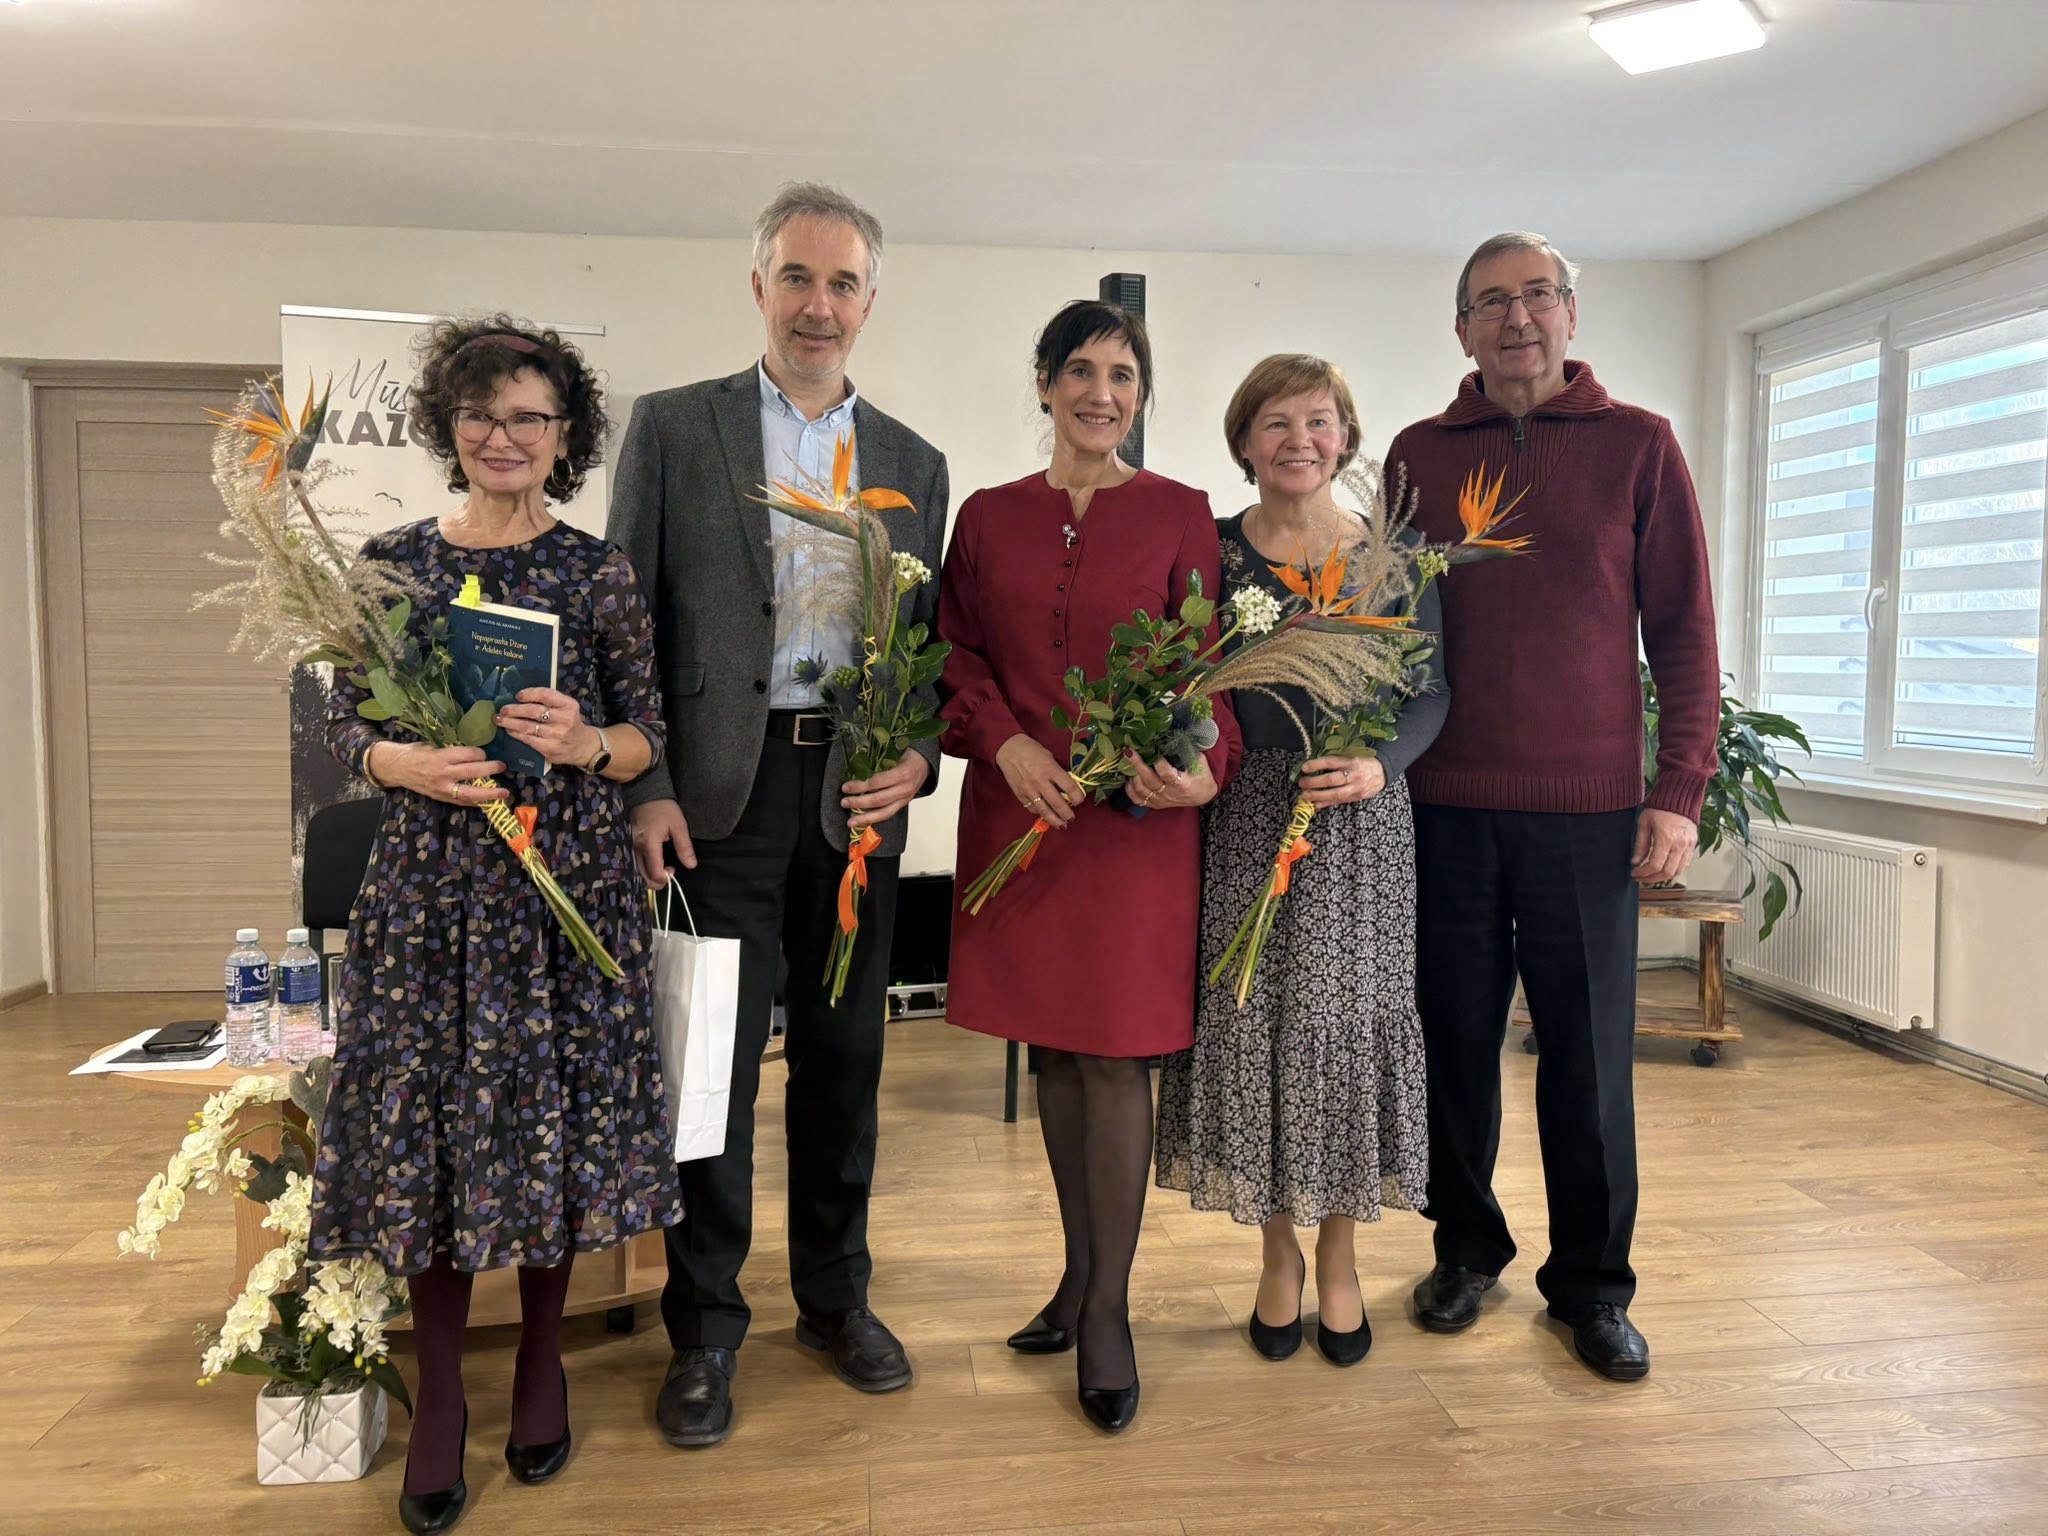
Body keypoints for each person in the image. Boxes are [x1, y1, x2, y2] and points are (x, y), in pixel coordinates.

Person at [311, 316, 683, 1534]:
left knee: (545, 1121)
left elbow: (645, 735)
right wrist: (400, 761)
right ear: (449, 427)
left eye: (529, 417)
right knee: (433, 1129)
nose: (503, 436)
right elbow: (337, 723)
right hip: (430, 893)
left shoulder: (597, 572)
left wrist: (585, 744)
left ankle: (537, 1359)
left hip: (562, 886)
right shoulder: (393, 562)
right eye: (481, 415)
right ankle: (437, 1396)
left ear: (564, 436)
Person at [607, 182, 949, 1449]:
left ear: (869, 301)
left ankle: (833, 1301)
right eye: (797, 277)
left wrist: (916, 758)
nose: (818, 304)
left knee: (846, 1066)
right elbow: (624, 626)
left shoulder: (913, 462)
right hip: (715, 805)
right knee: (710, 1073)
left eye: (841, 282)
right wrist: (644, 786)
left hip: (853, 805)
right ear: (758, 287)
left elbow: (930, 650)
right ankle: (703, 1329)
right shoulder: (673, 427)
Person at [1385, 232, 1719, 1382]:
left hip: (1588, 814)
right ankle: (1463, 1249)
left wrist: (1677, 789)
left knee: (1585, 1059)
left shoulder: (1639, 445)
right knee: (1451, 1045)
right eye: (1490, 302)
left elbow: (1682, 631)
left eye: (1536, 296)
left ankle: (1590, 1286)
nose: (1515, 318)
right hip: (1443, 807)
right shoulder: (1416, 455)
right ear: (1461, 329)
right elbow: (1384, 631)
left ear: (1570, 314)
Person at [938, 299, 1242, 1433]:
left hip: (1131, 830)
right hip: (1018, 816)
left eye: (1122, 375)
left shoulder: (1179, 512)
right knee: (1055, 1058)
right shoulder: (987, 515)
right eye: (1079, 370)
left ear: (1140, 394)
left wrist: (1201, 768)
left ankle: (1108, 1311)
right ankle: (1075, 1275)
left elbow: (1210, 667)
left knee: (1114, 1062)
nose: (1100, 393)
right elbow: (953, 654)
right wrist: (1004, 744)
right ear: (1044, 383)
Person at [1156, 354, 1443, 1367]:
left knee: (1343, 1032)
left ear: (1346, 438)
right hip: (1243, 814)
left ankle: (1339, 1258)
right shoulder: (1210, 549)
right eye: (1275, 422)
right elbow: (1184, 679)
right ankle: (1275, 1253)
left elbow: (1431, 692)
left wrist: (1378, 762)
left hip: (1359, 824)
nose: (1298, 441)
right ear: (1244, 441)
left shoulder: (1394, 555)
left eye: (1318, 421)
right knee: (1254, 1026)